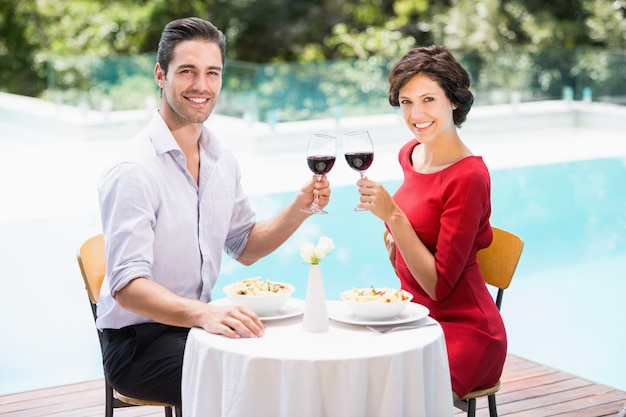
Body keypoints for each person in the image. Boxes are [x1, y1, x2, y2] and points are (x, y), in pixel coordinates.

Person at [96, 17, 330, 407]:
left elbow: (245, 246)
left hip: (192, 329)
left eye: (212, 73)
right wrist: (203, 315)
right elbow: (127, 287)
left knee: (291, 365)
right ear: (160, 74)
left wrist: (300, 207)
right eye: (187, 71)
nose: (201, 85)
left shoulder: (220, 159)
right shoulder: (133, 171)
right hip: (139, 347)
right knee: (259, 386)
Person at [355, 45, 506, 400]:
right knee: (346, 373)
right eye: (406, 102)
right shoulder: (409, 153)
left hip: (464, 330)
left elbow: (441, 286)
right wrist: (397, 254)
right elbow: (419, 247)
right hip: (413, 315)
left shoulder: (469, 177)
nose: (416, 113)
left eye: (428, 99)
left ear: (453, 101)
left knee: (386, 395)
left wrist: (393, 217)